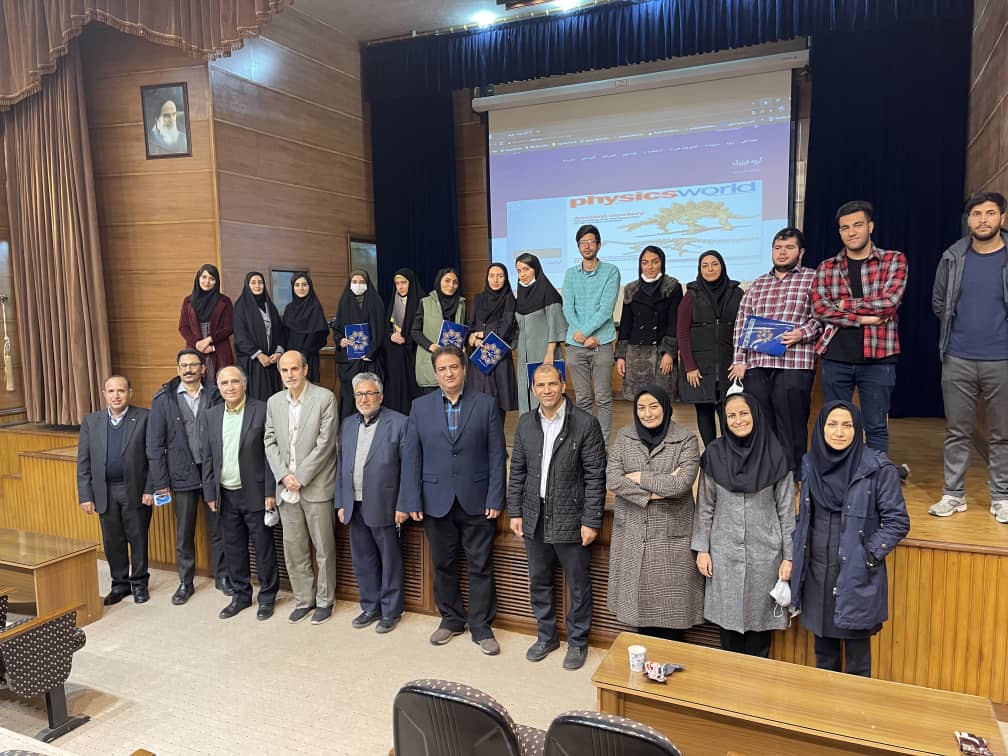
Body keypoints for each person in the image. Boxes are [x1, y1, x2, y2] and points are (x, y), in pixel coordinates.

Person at [399, 345, 507, 656]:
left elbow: (497, 455)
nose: (449, 373)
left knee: (480, 565)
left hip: (478, 500)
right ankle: (451, 619)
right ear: (436, 374)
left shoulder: (486, 404)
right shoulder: (419, 407)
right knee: (442, 564)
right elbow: (411, 457)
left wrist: (495, 496)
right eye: (442, 369)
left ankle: (481, 626)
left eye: (454, 367)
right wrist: (411, 500)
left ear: (464, 369)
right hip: (435, 499)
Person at [791, 402, 910, 676]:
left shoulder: (878, 468)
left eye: (847, 425)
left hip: (855, 574)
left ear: (858, 430)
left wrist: (868, 555)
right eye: (832, 424)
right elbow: (805, 516)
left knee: (857, 663)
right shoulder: (811, 463)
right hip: (817, 575)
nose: (839, 432)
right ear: (821, 429)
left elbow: (898, 521)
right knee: (824, 658)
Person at [508, 364, 606, 670]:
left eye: (552, 384)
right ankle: (546, 636)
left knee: (578, 584)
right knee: (539, 580)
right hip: (534, 515)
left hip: (571, 517)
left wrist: (591, 520)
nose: (547, 390)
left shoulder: (586, 423)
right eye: (541, 385)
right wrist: (515, 511)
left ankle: (577, 641)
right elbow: (518, 471)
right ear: (533, 389)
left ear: (563, 385)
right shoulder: (525, 423)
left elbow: (595, 477)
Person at [692, 392, 795, 657]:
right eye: (731, 416)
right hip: (724, 555)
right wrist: (702, 549)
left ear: (755, 415)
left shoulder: (776, 454)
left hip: (766, 556)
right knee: (728, 635)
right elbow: (705, 506)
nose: (738, 420)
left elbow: (786, 511)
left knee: (760, 637)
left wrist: (789, 557)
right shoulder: (714, 454)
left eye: (743, 413)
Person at [930, 192, 1008, 521]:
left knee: (1002, 433)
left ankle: (1002, 496)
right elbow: (939, 303)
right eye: (976, 214)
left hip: (1002, 359)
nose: (983, 220)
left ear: (1002, 218)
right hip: (958, 357)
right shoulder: (953, 256)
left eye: (990, 213)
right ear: (969, 220)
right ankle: (953, 494)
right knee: (957, 431)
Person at [608, 385, 705, 641]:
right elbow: (613, 480)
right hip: (634, 532)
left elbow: (681, 484)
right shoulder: (625, 435)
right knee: (641, 618)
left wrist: (639, 477)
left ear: (665, 407)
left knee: (673, 617)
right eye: (641, 408)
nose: (647, 413)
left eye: (653, 406)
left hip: (671, 537)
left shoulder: (686, 439)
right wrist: (655, 492)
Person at [812, 200, 909, 459]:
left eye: (857, 225)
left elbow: (889, 303)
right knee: (836, 426)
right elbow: (820, 309)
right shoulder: (827, 267)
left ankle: (876, 477)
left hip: (879, 358)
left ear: (870, 226)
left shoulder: (893, 260)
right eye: (845, 228)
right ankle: (840, 475)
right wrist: (864, 319)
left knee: (875, 426)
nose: (851, 232)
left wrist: (844, 305)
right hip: (835, 358)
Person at [730, 228, 820, 478]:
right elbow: (742, 322)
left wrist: (802, 332)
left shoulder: (813, 279)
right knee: (760, 420)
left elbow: (822, 317)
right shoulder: (758, 284)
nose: (782, 253)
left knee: (791, 421)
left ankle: (792, 474)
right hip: (758, 362)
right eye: (778, 248)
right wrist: (739, 359)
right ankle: (768, 472)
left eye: (789, 247)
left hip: (794, 362)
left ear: (801, 252)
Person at [147, 349, 229, 605]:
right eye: (184, 365)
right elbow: (154, 445)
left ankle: (223, 576)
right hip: (181, 474)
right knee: (184, 533)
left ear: (203, 369)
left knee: (219, 529)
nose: (189, 369)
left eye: (193, 365)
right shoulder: (163, 399)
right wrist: (161, 482)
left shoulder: (216, 394)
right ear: (178, 369)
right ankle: (186, 582)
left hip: (212, 473)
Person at [265, 350, 339, 625]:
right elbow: (269, 441)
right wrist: (284, 476)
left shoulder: (324, 398)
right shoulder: (274, 402)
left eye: (294, 369)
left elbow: (326, 443)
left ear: (305, 369)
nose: (290, 375)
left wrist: (301, 476)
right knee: (294, 548)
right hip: (286, 488)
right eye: (285, 370)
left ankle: (324, 601)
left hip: (316, 486)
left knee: (323, 549)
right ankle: (303, 600)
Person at [201, 366, 279, 621]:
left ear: (244, 384)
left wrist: (270, 490)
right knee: (233, 549)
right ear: (219, 387)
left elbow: (270, 454)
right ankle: (241, 596)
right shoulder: (211, 415)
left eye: (235, 382)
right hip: (225, 494)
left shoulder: (261, 409)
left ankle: (267, 597)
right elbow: (208, 456)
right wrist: (210, 492)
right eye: (224, 383)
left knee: (263, 548)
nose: (230, 387)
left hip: (256, 492)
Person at [336, 372, 409, 634]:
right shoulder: (347, 424)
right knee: (363, 559)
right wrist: (341, 501)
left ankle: (390, 611)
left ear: (381, 396)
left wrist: (403, 504)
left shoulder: (399, 423)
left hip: (385, 504)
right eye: (360, 394)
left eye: (369, 393)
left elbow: (409, 469)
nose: (364, 399)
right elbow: (341, 465)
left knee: (389, 561)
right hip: (353, 504)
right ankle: (370, 606)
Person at [77, 376, 154, 605]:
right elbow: (83, 461)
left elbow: (154, 457)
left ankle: (139, 584)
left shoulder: (144, 417)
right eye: (111, 391)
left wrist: (150, 488)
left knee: (138, 539)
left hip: (136, 490)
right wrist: (85, 495)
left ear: (130, 392)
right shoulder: (91, 421)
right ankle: (120, 584)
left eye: (121, 390)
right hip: (105, 491)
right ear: (104, 394)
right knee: (113, 541)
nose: (116, 395)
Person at [677, 251, 744, 446]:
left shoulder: (737, 293)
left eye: (714, 264)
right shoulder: (691, 295)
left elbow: (745, 329)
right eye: (705, 266)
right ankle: (711, 453)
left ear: (722, 266)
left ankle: (730, 452)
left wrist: (740, 360)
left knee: (729, 410)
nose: (710, 269)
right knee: (704, 411)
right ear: (700, 269)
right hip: (699, 367)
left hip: (729, 365)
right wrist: (690, 366)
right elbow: (682, 332)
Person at [562, 224, 621, 446]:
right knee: (583, 399)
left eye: (591, 242)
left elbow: (606, 310)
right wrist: (583, 336)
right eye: (582, 243)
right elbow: (568, 308)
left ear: (598, 245)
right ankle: (586, 446)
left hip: (602, 343)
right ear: (578, 246)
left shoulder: (611, 271)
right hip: (576, 346)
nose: (587, 246)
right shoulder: (570, 274)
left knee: (604, 398)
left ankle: (602, 446)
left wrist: (585, 333)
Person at [615, 246, 682, 402]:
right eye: (645, 263)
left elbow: (674, 322)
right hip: (635, 355)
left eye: (655, 262)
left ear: (662, 263)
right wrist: (620, 356)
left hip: (661, 354)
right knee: (639, 401)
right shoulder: (631, 289)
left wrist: (669, 352)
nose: (649, 267)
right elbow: (626, 325)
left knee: (661, 401)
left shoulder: (672, 287)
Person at [514, 253, 566, 414]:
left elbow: (555, 324)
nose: (522, 274)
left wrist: (550, 353)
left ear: (535, 269)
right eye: (518, 271)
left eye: (526, 269)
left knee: (546, 394)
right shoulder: (520, 295)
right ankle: (528, 426)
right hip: (524, 356)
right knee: (525, 392)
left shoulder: (548, 292)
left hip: (544, 353)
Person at [467, 263, 518, 424]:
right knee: (479, 404)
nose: (495, 280)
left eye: (500, 276)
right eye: (492, 276)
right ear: (487, 278)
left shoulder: (509, 299)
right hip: (479, 357)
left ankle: (497, 439)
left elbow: (506, 327)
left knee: (498, 406)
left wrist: (483, 334)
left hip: (499, 357)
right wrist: (472, 338)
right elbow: (471, 326)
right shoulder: (478, 298)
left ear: (506, 278)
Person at [333, 270, 386, 420]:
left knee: (370, 397)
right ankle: (348, 429)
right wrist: (340, 340)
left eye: (362, 282)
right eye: (354, 282)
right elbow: (337, 330)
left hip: (371, 361)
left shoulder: (376, 302)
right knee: (350, 400)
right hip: (350, 362)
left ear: (367, 284)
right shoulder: (344, 302)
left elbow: (381, 331)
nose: (358, 285)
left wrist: (372, 352)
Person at [411, 268, 466, 394]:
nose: (451, 285)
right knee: (432, 402)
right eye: (447, 281)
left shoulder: (461, 304)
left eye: (455, 282)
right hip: (431, 359)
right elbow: (415, 331)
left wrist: (463, 344)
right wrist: (430, 346)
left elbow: (462, 330)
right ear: (439, 281)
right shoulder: (425, 303)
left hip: (453, 362)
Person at [232, 271, 284, 402]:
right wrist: (259, 355)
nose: (257, 286)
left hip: (271, 362)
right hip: (253, 362)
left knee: (274, 399)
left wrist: (278, 352)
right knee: (256, 399)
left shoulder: (270, 306)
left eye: (260, 282)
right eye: (253, 283)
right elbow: (240, 337)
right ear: (247, 285)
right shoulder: (241, 307)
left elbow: (280, 332)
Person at [178, 263, 234, 382]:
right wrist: (198, 344)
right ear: (198, 278)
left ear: (216, 282)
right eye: (204, 277)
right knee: (195, 382)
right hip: (195, 347)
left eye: (211, 278)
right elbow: (183, 327)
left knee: (220, 381)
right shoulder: (188, 301)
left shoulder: (225, 301)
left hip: (218, 346)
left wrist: (209, 340)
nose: (207, 281)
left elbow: (228, 328)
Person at [384, 268, 425, 414]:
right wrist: (391, 336)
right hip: (395, 356)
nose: (400, 287)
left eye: (403, 283)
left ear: (411, 283)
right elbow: (386, 327)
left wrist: (407, 340)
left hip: (413, 354)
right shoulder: (393, 301)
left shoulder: (422, 301)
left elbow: (424, 330)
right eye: (397, 283)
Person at [281, 272, 329, 384]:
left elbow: (320, 334)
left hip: (308, 358)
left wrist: (304, 353)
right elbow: (285, 334)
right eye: (297, 285)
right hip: (291, 357)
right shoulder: (289, 309)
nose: (301, 288)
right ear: (292, 288)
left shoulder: (315, 308)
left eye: (304, 284)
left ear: (310, 287)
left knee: (308, 390)